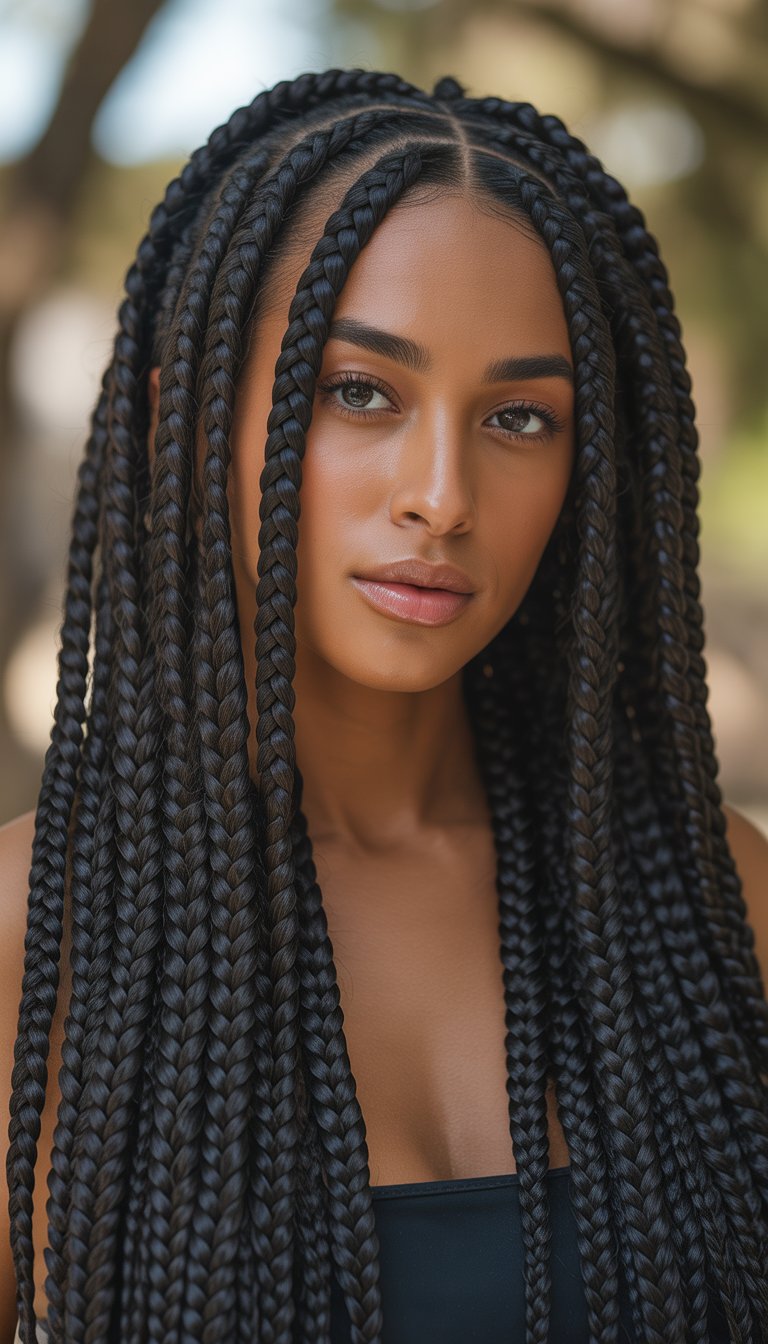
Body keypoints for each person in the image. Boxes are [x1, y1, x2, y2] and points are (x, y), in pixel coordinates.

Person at [1, 66, 767, 1344]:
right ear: (182, 418)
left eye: (523, 417)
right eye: (359, 391)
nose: (443, 494)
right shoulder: (42, 945)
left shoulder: (713, 901)